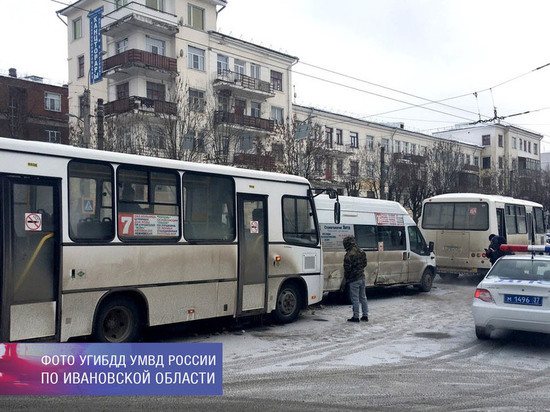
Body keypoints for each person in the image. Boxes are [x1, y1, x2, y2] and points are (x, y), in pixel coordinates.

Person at [343, 235, 369, 323]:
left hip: (354, 279)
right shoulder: (361, 251)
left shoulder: (349, 254)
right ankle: (365, 315)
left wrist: (347, 278)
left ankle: (356, 316)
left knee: (355, 299)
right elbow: (365, 264)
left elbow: (347, 269)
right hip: (362, 277)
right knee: (363, 297)